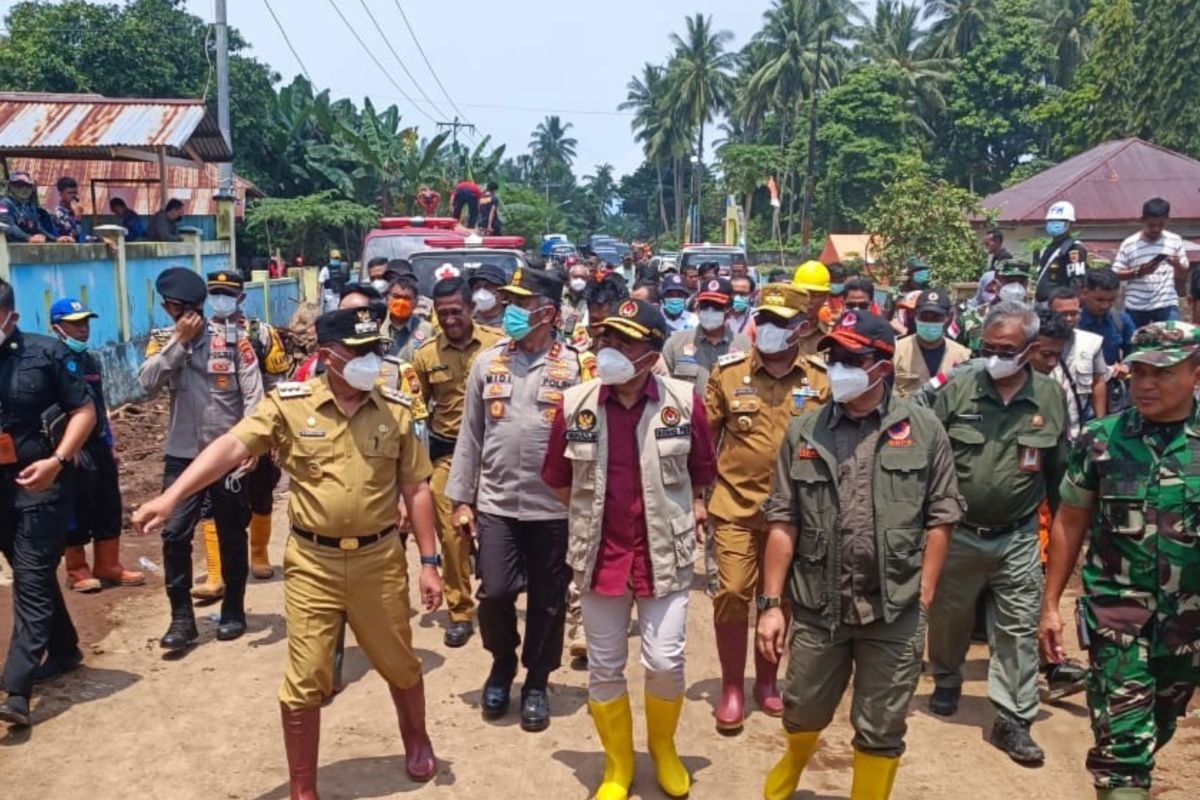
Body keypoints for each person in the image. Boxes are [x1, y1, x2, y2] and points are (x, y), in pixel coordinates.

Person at [133, 304, 445, 791]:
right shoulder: (290, 405)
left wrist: (429, 562)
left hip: (378, 559)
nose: (370, 360)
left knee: (399, 660)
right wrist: (172, 496)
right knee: (305, 674)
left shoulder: (396, 410)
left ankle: (417, 739)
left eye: (374, 350)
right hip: (312, 563)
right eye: (357, 352)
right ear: (327, 356)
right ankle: (303, 785)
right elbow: (231, 447)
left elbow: (417, 490)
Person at [757, 311, 961, 800]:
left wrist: (926, 595)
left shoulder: (924, 428)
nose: (838, 366)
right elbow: (782, 521)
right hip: (818, 606)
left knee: (882, 725)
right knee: (802, 706)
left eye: (852, 358)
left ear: (882, 367)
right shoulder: (805, 432)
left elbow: (942, 516)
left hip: (895, 607)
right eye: (833, 357)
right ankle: (794, 761)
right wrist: (769, 606)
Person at [541, 298, 715, 800]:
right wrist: (590, 516)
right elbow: (557, 479)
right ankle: (617, 766)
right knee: (604, 665)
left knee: (665, 661)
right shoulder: (576, 404)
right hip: (601, 556)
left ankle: (663, 750)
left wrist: (690, 508)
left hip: (664, 553)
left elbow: (702, 473)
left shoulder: (682, 403)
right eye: (606, 339)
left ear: (651, 352)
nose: (609, 349)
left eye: (624, 341)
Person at [1040, 321, 1200, 800]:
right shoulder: (1100, 439)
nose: (1146, 384)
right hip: (1118, 616)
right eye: (1138, 372)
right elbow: (1070, 522)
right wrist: (1050, 605)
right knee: (1122, 749)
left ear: (1196, 373)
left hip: (1189, 624)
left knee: (1160, 724)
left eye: (1162, 373)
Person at [927, 300, 1069, 764]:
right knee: (949, 618)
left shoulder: (1049, 396)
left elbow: (1057, 469)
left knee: (1016, 627)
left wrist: (1060, 529)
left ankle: (1013, 718)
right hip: (958, 530)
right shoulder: (958, 387)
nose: (994, 356)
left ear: (1030, 349)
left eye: (1005, 348)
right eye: (987, 346)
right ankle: (947, 679)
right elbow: (922, 440)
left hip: (1019, 534)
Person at [445, 266, 582, 732]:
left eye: (521, 304)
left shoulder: (576, 367)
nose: (511, 311)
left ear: (549, 312)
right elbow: (471, 436)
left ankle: (537, 682)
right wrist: (461, 499)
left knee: (548, 600)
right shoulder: (488, 363)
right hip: (498, 504)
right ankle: (502, 663)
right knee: (497, 592)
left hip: (554, 508)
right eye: (510, 302)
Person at [705, 283, 829, 734]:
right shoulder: (728, 373)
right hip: (735, 504)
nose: (768, 329)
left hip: (797, 513)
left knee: (781, 599)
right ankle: (733, 686)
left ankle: (768, 681)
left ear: (802, 327)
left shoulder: (821, 379)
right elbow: (705, 441)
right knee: (734, 592)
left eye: (780, 322)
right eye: (765, 319)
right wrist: (700, 500)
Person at [137, 267, 264, 648]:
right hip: (182, 455)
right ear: (168, 309)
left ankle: (234, 611)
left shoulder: (233, 340)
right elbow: (145, 384)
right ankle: (181, 619)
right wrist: (178, 343)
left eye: (191, 308)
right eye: (179, 309)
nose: (186, 315)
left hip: (226, 455)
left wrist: (254, 445)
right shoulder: (162, 341)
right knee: (175, 533)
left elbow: (254, 397)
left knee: (230, 532)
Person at [0, 279, 97, 727]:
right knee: (28, 572)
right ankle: (64, 646)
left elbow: (84, 411)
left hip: (43, 484)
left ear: (10, 317)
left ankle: (16, 689)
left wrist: (57, 461)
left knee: (32, 579)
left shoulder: (47, 354)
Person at [412, 278, 502, 649]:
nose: (449, 319)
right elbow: (417, 415)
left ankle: (498, 599)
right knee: (452, 534)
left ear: (471, 309)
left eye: (455, 311)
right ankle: (460, 611)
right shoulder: (425, 355)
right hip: (448, 455)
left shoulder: (499, 346)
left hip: (496, 454)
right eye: (442, 312)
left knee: (499, 531)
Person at [50, 298, 144, 594]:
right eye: (75, 324)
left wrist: (111, 443)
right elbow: (54, 410)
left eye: (85, 322)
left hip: (99, 443)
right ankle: (77, 570)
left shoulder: (90, 360)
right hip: (73, 447)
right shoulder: (52, 361)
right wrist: (66, 448)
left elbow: (99, 404)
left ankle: (108, 565)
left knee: (108, 503)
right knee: (76, 505)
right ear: (57, 328)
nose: (82, 329)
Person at [215, 272, 294, 582]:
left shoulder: (261, 334)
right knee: (218, 500)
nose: (221, 299)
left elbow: (277, 383)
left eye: (227, 293)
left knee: (260, 491)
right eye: (216, 293)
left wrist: (275, 435)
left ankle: (259, 553)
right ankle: (217, 566)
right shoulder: (200, 334)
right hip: (218, 431)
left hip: (258, 427)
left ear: (241, 297)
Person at [1112, 197, 1190, 327]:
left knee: (1171, 342)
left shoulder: (1174, 240)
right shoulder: (1129, 244)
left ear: (1167, 220)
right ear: (1143, 220)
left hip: (1166, 303)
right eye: (1151, 225)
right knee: (1135, 343)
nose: (1156, 229)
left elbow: (1183, 274)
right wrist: (1138, 272)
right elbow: (1115, 274)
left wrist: (1176, 264)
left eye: (1160, 225)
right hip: (1136, 307)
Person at [661, 278, 749, 391]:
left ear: (729, 309)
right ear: (697, 307)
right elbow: (664, 388)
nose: (710, 311)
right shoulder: (675, 344)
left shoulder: (744, 346)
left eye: (717, 306)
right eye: (705, 305)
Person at [1047, 287, 1110, 426]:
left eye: (1074, 313)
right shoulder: (1037, 343)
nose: (1069, 319)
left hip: (1079, 424)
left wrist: (1100, 424)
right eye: (1063, 314)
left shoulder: (1092, 343)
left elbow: (1098, 382)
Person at [893, 288, 971, 399]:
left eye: (936, 318)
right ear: (915, 317)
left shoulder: (961, 355)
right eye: (924, 317)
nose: (929, 322)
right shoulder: (897, 351)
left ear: (948, 318)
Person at [957, 261, 1030, 354]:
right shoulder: (970, 319)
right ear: (995, 282)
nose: (1016, 287)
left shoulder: (1036, 322)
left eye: (1020, 281)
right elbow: (954, 354)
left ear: (1026, 284)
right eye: (1009, 281)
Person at [1078, 268, 1135, 371]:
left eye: (1111, 300)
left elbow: (1134, 351)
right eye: (1099, 300)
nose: (1105, 305)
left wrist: (1126, 365)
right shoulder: (1072, 323)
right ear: (1084, 293)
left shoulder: (1121, 321)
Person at [1035, 200, 1088, 301]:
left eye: (1059, 221)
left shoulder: (1073, 248)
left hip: (1059, 303)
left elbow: (1076, 282)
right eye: (1051, 221)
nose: (1053, 224)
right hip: (1042, 303)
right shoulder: (1047, 249)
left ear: (1070, 224)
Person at [382, 273, 435, 362]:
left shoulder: (426, 330)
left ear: (415, 302)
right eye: (396, 297)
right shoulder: (377, 326)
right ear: (387, 298)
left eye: (406, 298)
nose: (401, 302)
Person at [0, 171, 66, 243]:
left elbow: (37, 228)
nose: (24, 189)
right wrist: (28, 238)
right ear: (11, 187)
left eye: (28, 186)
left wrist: (55, 239)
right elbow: (7, 226)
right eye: (19, 185)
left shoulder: (30, 207)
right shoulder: (3, 204)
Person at [790, 260, 831, 355]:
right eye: (804, 293)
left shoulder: (831, 335)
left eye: (816, 295)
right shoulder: (776, 330)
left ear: (826, 297)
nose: (809, 300)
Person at [560, 261, 592, 346]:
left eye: (582, 278)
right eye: (576, 277)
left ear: (587, 280)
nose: (579, 280)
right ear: (569, 277)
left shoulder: (591, 298)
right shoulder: (559, 295)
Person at [469, 263, 507, 328]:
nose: (481, 292)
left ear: (502, 294)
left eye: (487, 287)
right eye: (477, 287)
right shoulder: (466, 321)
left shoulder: (513, 321)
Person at [52, 177, 87, 242]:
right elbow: (76, 236)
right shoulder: (59, 213)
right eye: (69, 193)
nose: (73, 196)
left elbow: (82, 236)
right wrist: (77, 217)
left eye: (75, 193)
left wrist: (100, 239)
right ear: (61, 194)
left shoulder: (74, 211)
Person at [317, 249, 350, 314]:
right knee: (331, 315)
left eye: (337, 258)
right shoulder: (325, 269)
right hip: (330, 297)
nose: (336, 260)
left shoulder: (343, 268)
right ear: (330, 258)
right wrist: (318, 295)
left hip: (341, 296)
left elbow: (347, 280)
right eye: (334, 258)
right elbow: (320, 283)